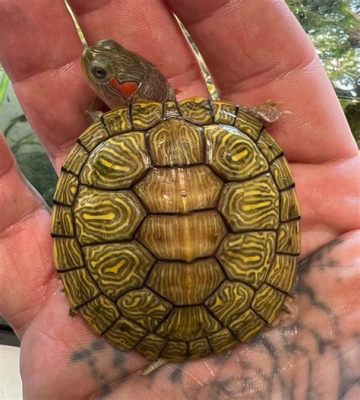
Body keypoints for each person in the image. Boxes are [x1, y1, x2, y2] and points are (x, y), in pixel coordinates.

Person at [0, 1, 359, 398]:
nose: (92, 65)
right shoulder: (221, 126)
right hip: (241, 304)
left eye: (100, 74)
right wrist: (252, 117)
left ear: (127, 91)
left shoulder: (107, 139)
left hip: (135, 314)